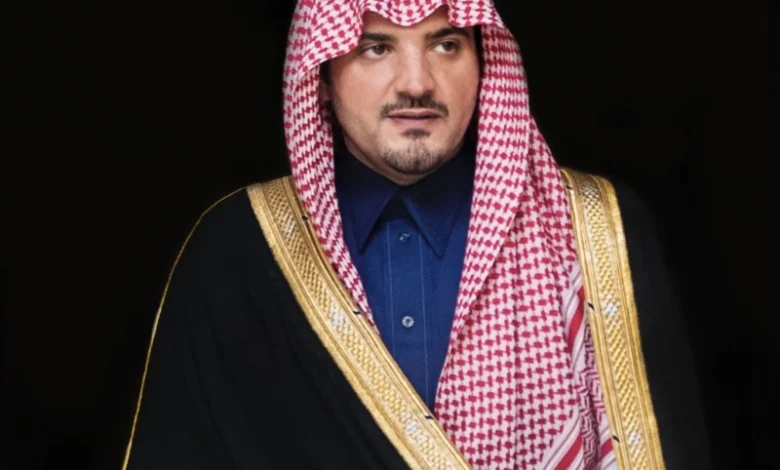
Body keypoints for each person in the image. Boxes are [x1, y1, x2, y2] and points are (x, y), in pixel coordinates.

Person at [120, 1, 712, 468]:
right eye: (376, 47)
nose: (417, 83)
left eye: (445, 44)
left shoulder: (592, 231)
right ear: (319, 73)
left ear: (485, 61)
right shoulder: (239, 250)